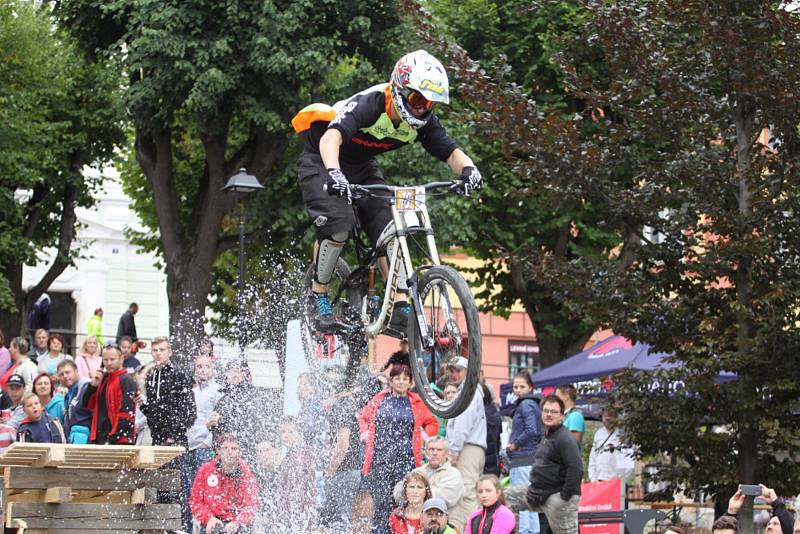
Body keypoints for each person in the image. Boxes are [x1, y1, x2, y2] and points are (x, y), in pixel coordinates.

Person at [292, 49, 483, 332]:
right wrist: (334, 174)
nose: (422, 109)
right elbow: (331, 137)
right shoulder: (372, 103)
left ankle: (400, 304)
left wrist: (470, 170)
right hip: (323, 158)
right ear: (399, 89)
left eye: (429, 103)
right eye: (417, 99)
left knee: (390, 228)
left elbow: (450, 151)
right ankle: (318, 292)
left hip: (361, 165)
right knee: (339, 227)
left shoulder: (423, 122)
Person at [358, 363, 439, 534]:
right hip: (380, 461)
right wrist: (365, 434)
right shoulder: (380, 399)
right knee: (380, 502)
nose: (401, 382)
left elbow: (432, 422)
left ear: (410, 382)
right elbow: (363, 417)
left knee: (401, 502)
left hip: (405, 461)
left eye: (405, 379)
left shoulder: (415, 402)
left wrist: (424, 437)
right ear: (391, 381)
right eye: (397, 378)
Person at [140, 336, 196, 531]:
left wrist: (174, 434)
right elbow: (156, 414)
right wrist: (143, 407)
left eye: (162, 350)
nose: (158, 353)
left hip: (175, 441)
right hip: (158, 440)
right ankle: (166, 529)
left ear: (170, 352)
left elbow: (190, 413)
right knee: (162, 487)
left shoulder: (179, 374)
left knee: (179, 487)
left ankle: (184, 528)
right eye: (155, 350)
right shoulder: (152, 377)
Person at [525, 394, 583, 534]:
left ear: (562, 416)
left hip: (561, 498)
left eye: (554, 412)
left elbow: (576, 469)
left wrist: (564, 497)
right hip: (544, 495)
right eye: (546, 411)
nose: (549, 415)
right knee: (509, 499)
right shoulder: (549, 435)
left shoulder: (565, 438)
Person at [445, 357, 486, 533]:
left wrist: (454, 452)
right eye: (452, 370)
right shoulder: (468, 391)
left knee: (467, 494)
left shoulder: (468, 392)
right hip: (470, 448)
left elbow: (462, 425)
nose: (454, 374)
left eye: (458, 370)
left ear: (468, 372)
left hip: (467, 448)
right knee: (466, 493)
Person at [190, 433, 259, 534]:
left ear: (240, 452)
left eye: (234, 448)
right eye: (225, 448)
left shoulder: (247, 474)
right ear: (218, 451)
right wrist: (208, 518)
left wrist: (238, 522)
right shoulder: (205, 471)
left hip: (238, 524)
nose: (229, 452)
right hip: (212, 523)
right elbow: (195, 502)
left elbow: (251, 506)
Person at [321, 384, 365, 533]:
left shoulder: (341, 409)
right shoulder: (351, 409)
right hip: (352, 471)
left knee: (341, 519)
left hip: (344, 473)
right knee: (345, 517)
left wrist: (330, 470)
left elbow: (343, 444)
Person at [210, 359, 271, 463]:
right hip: (226, 454)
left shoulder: (253, 397)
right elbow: (218, 430)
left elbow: (257, 425)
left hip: (246, 452)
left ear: (246, 374)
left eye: (237, 371)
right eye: (230, 371)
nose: (234, 375)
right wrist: (212, 424)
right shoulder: (223, 400)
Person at [186, 354, 223, 521]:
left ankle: (205, 527)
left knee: (206, 490)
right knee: (188, 491)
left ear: (213, 369)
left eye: (206, 366)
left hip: (204, 447)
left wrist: (207, 443)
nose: (203, 370)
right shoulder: (191, 392)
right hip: (189, 446)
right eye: (199, 367)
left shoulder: (217, 391)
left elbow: (218, 421)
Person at [506, 371, 543, 534]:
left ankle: (525, 531)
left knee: (522, 501)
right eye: (515, 387)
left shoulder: (525, 404)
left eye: (522, 386)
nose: (518, 390)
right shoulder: (533, 404)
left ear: (530, 387)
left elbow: (532, 430)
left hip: (522, 457)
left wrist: (515, 444)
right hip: (530, 458)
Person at [83, 345, 137, 444]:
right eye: (105, 359)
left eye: (112, 359)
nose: (108, 363)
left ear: (121, 359)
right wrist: (92, 386)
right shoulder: (103, 379)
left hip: (118, 440)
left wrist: (113, 438)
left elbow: (126, 414)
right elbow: (87, 405)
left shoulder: (126, 380)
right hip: (101, 437)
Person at [392, 437, 464, 512]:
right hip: (416, 516)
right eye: (431, 449)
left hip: (445, 519)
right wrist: (429, 490)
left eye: (439, 450)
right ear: (426, 453)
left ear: (446, 454)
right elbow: (397, 491)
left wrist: (412, 491)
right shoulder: (418, 471)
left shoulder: (453, 474)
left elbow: (443, 500)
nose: (435, 453)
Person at [277, 416, 317, 532]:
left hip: (302, 509)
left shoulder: (304, 453)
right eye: (283, 431)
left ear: (299, 434)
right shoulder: (290, 455)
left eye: (290, 431)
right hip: (292, 511)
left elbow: (301, 485)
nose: (285, 435)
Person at [588, 406, 635, 482]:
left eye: (610, 416)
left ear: (616, 418)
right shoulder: (598, 433)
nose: (607, 419)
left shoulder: (623, 435)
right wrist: (593, 478)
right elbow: (593, 457)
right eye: (605, 416)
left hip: (617, 482)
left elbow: (629, 461)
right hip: (600, 480)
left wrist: (621, 480)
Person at [57, 359, 93, 444]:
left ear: (76, 371)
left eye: (68, 372)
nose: (65, 376)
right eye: (61, 374)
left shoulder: (87, 387)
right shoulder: (68, 393)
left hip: (86, 441)